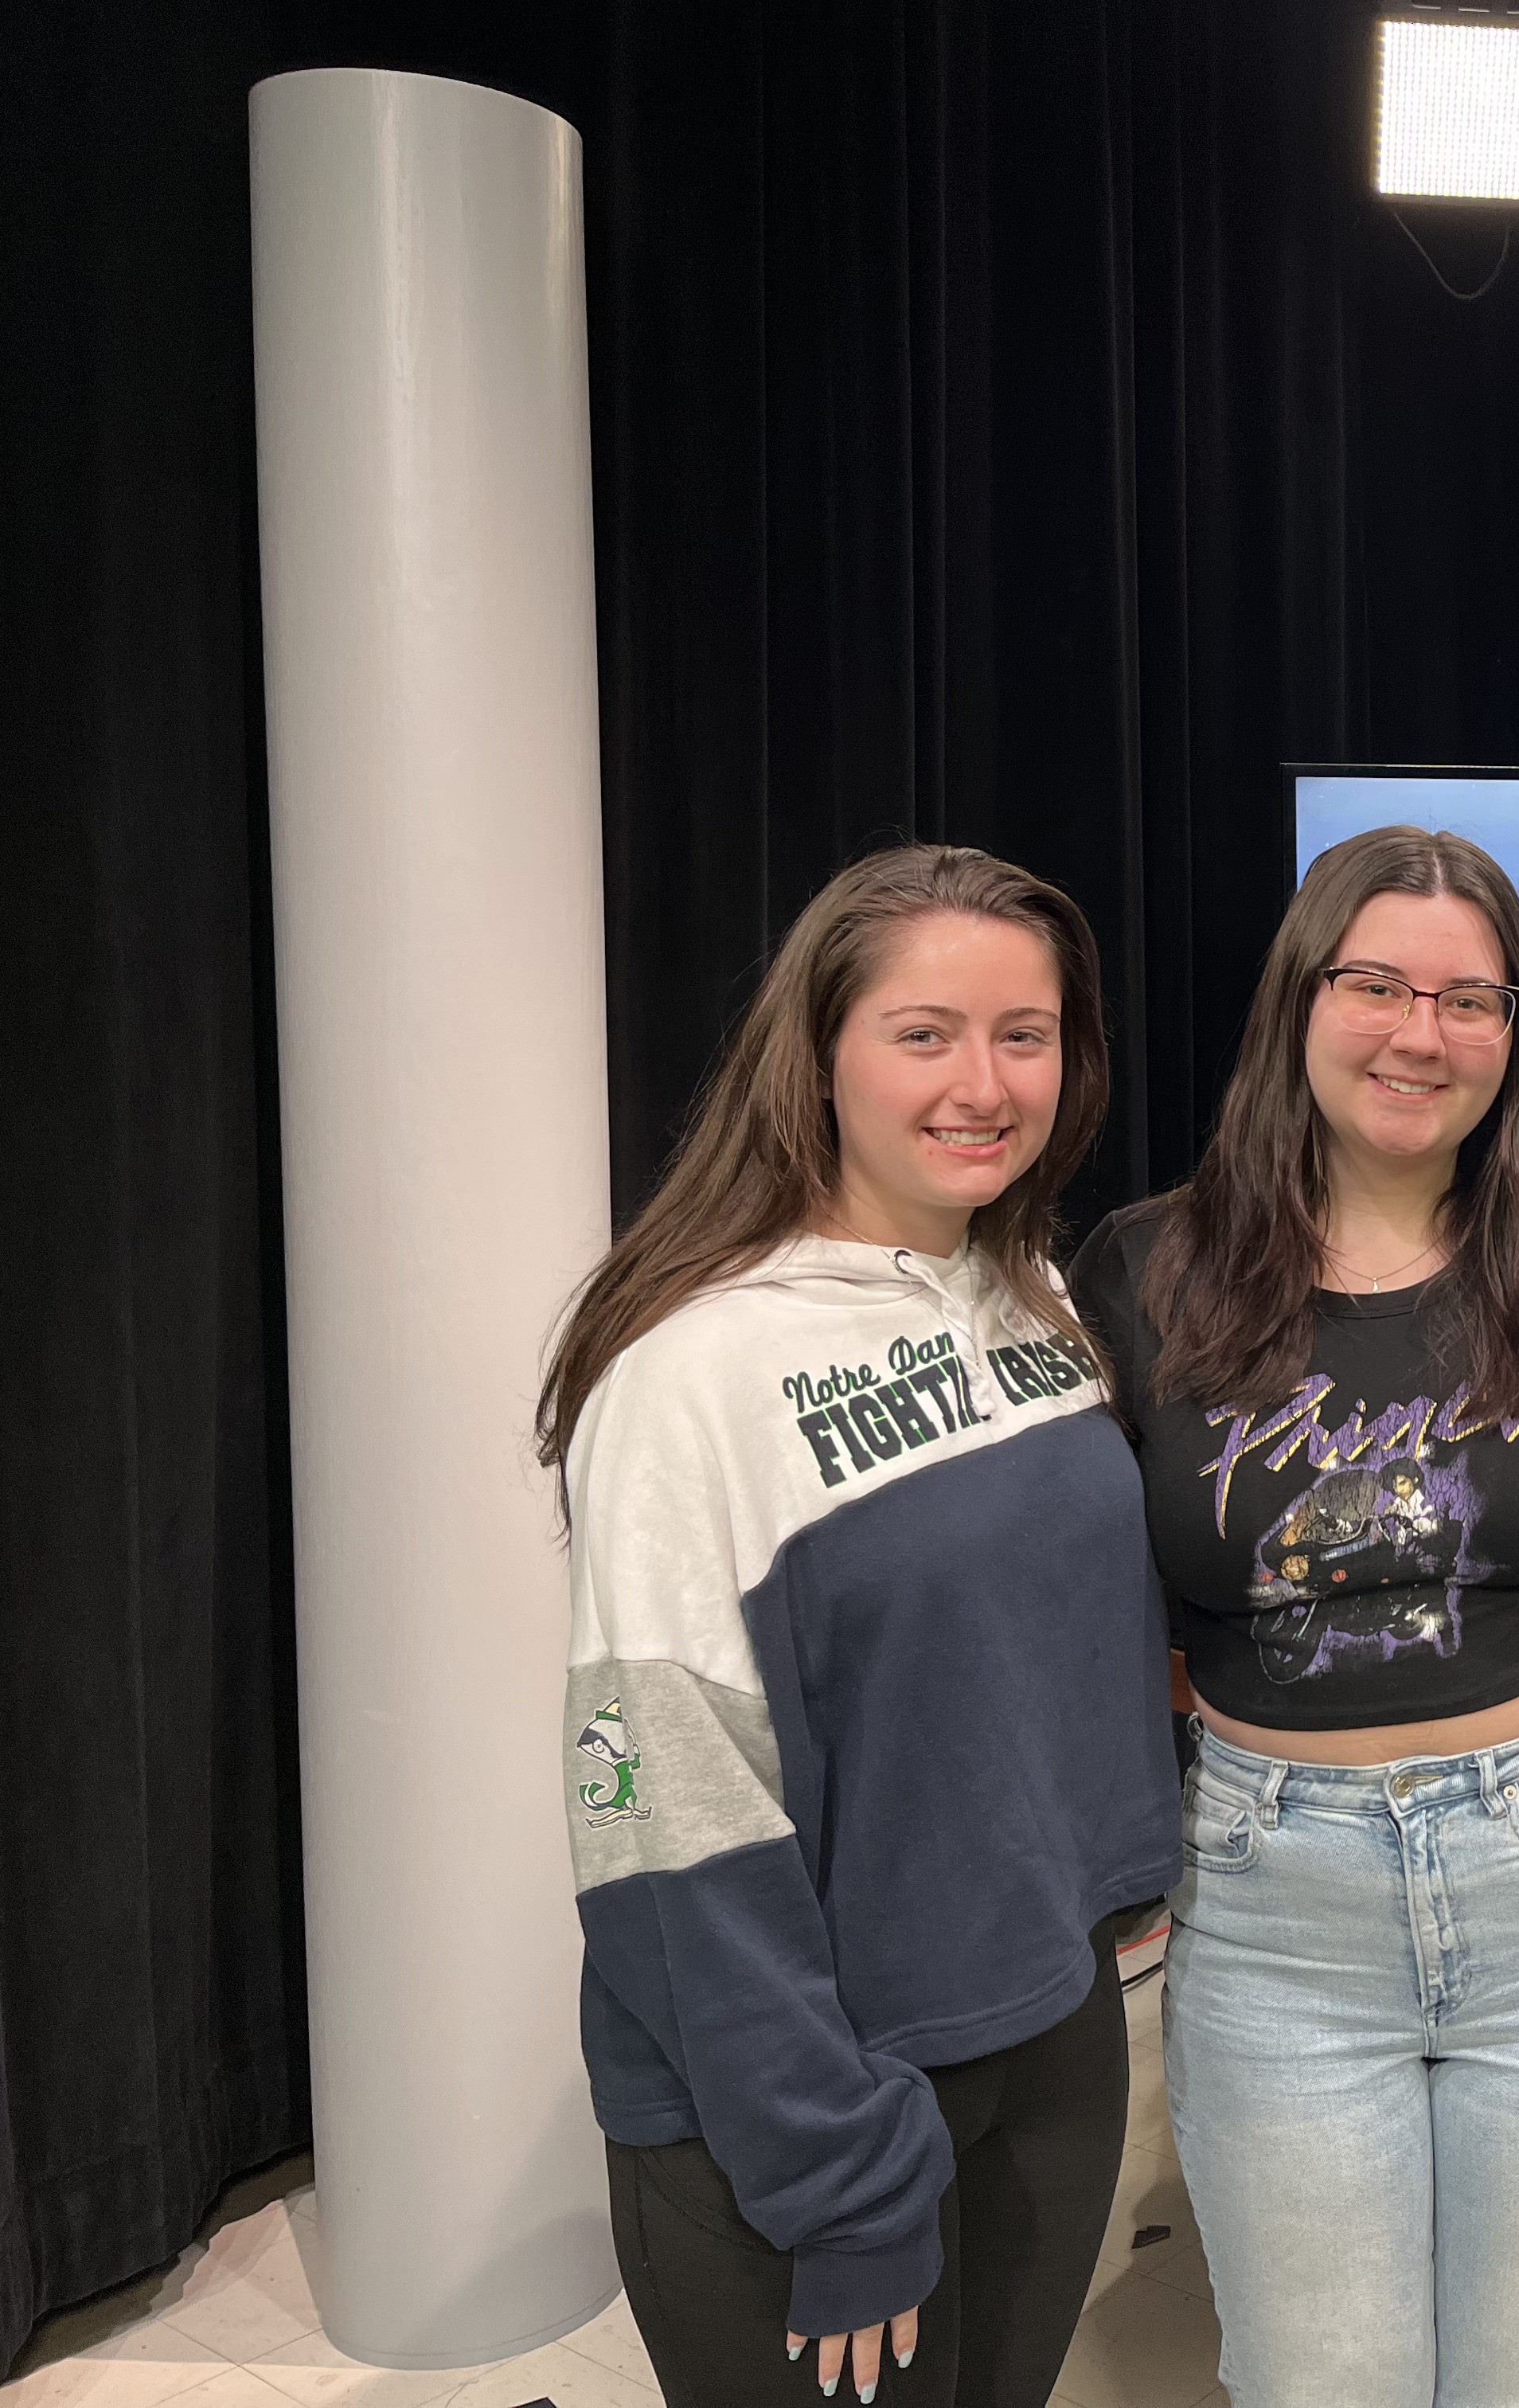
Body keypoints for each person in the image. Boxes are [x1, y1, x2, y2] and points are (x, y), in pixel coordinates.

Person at [1067, 825, 1519, 2408]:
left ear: (1515, 1033)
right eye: (1375, 983)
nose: (1419, 1033)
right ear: (1299, 999)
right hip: (1270, 1894)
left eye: (1471, 998)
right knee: (1320, 2386)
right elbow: (1063, 1599)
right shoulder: (1144, 1271)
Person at [534, 846, 1179, 2408]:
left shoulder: (1029, 1291)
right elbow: (665, 1812)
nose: (984, 1082)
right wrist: (836, 2178)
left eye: (1026, 1035)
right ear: (817, 1056)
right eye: (924, 1033)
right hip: (815, 2091)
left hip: (1049, 2028)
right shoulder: (690, 1371)